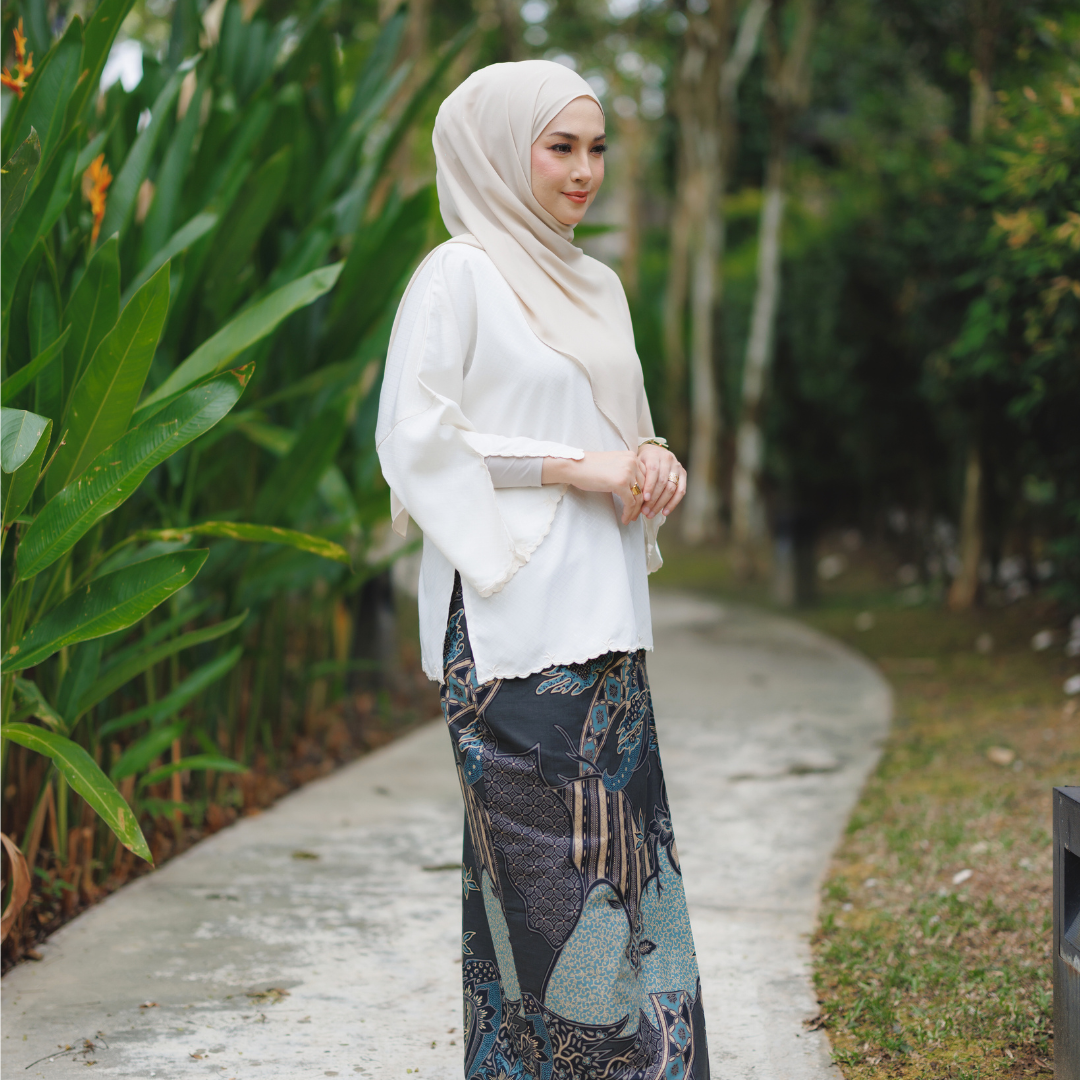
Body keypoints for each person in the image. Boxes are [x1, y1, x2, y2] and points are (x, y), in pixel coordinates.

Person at [376, 59, 710, 1080]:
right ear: (495, 152)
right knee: (556, 908)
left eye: (597, 148)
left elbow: (620, 433)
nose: (584, 171)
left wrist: (651, 459)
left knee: (627, 886)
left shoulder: (595, 284)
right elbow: (417, 441)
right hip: (511, 631)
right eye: (559, 147)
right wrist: (576, 467)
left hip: (604, 624)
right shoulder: (457, 276)